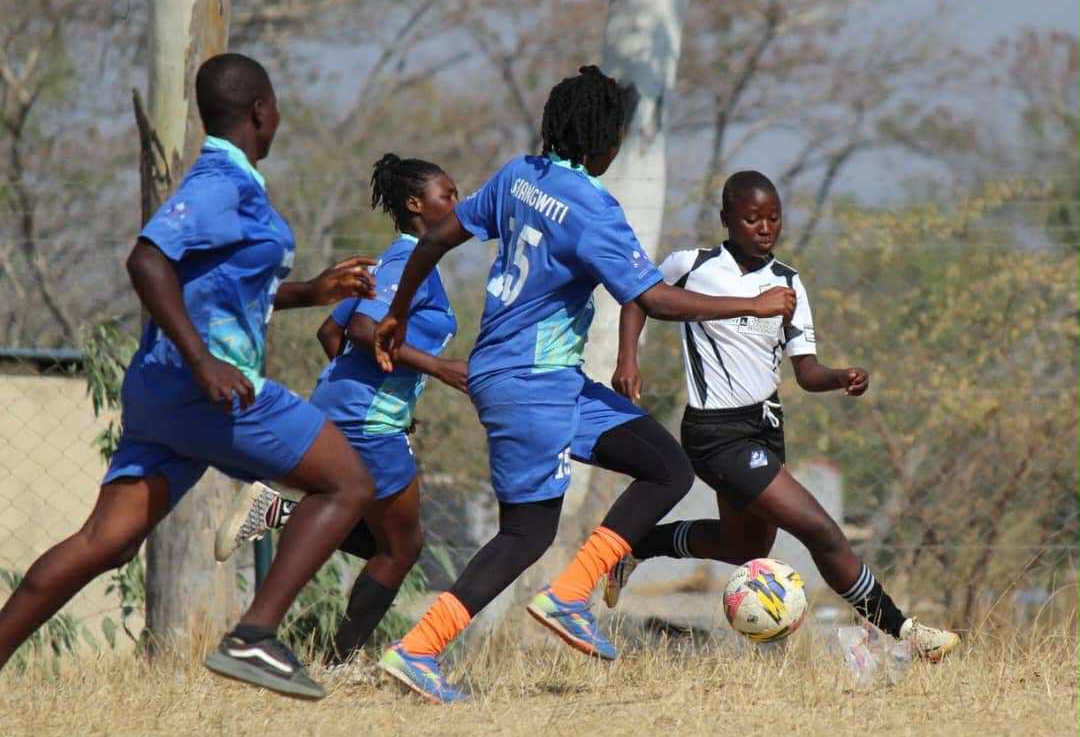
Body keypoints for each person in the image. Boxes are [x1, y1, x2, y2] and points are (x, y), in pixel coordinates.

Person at [370, 66, 800, 703]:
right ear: (603, 142)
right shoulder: (595, 209)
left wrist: (396, 309)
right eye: (618, 134)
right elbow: (652, 296)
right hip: (531, 384)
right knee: (526, 533)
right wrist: (753, 306)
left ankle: (568, 593)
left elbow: (436, 236)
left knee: (665, 467)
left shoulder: (518, 175)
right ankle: (423, 647)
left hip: (541, 379)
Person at [0, 53, 379, 700]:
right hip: (201, 386)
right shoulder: (220, 182)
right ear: (261, 110)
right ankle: (255, 635)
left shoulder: (236, 185)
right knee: (347, 483)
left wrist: (311, 290)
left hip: (165, 396)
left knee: (104, 542)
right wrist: (204, 362)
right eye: (277, 105)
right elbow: (147, 261)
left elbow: (224, 291)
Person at [603, 170, 960, 661]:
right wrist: (628, 357)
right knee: (820, 530)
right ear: (727, 219)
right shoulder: (692, 264)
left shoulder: (788, 282)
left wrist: (838, 376)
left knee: (739, 547)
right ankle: (904, 631)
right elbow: (640, 297)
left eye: (773, 218)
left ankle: (638, 543)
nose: (764, 227)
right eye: (751, 218)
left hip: (766, 428)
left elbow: (805, 370)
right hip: (716, 433)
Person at [215, 154, 467, 662]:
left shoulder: (395, 262)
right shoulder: (404, 264)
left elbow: (328, 330)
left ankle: (295, 509)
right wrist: (437, 369)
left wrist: (377, 390)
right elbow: (359, 330)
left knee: (389, 542)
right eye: (449, 194)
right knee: (401, 548)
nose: (458, 204)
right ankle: (340, 662)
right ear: (416, 204)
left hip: (352, 410)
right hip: (368, 422)